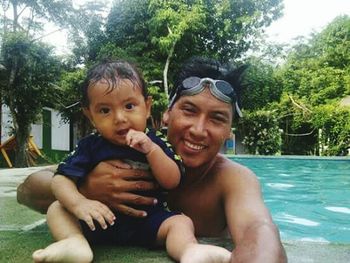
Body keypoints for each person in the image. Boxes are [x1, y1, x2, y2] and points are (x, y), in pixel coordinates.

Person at [18, 57, 287, 263]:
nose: (198, 129)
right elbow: (29, 190)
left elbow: (258, 230)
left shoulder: (232, 179)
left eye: (217, 119)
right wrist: (86, 189)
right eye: (189, 111)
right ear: (166, 114)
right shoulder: (126, 148)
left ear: (229, 131)